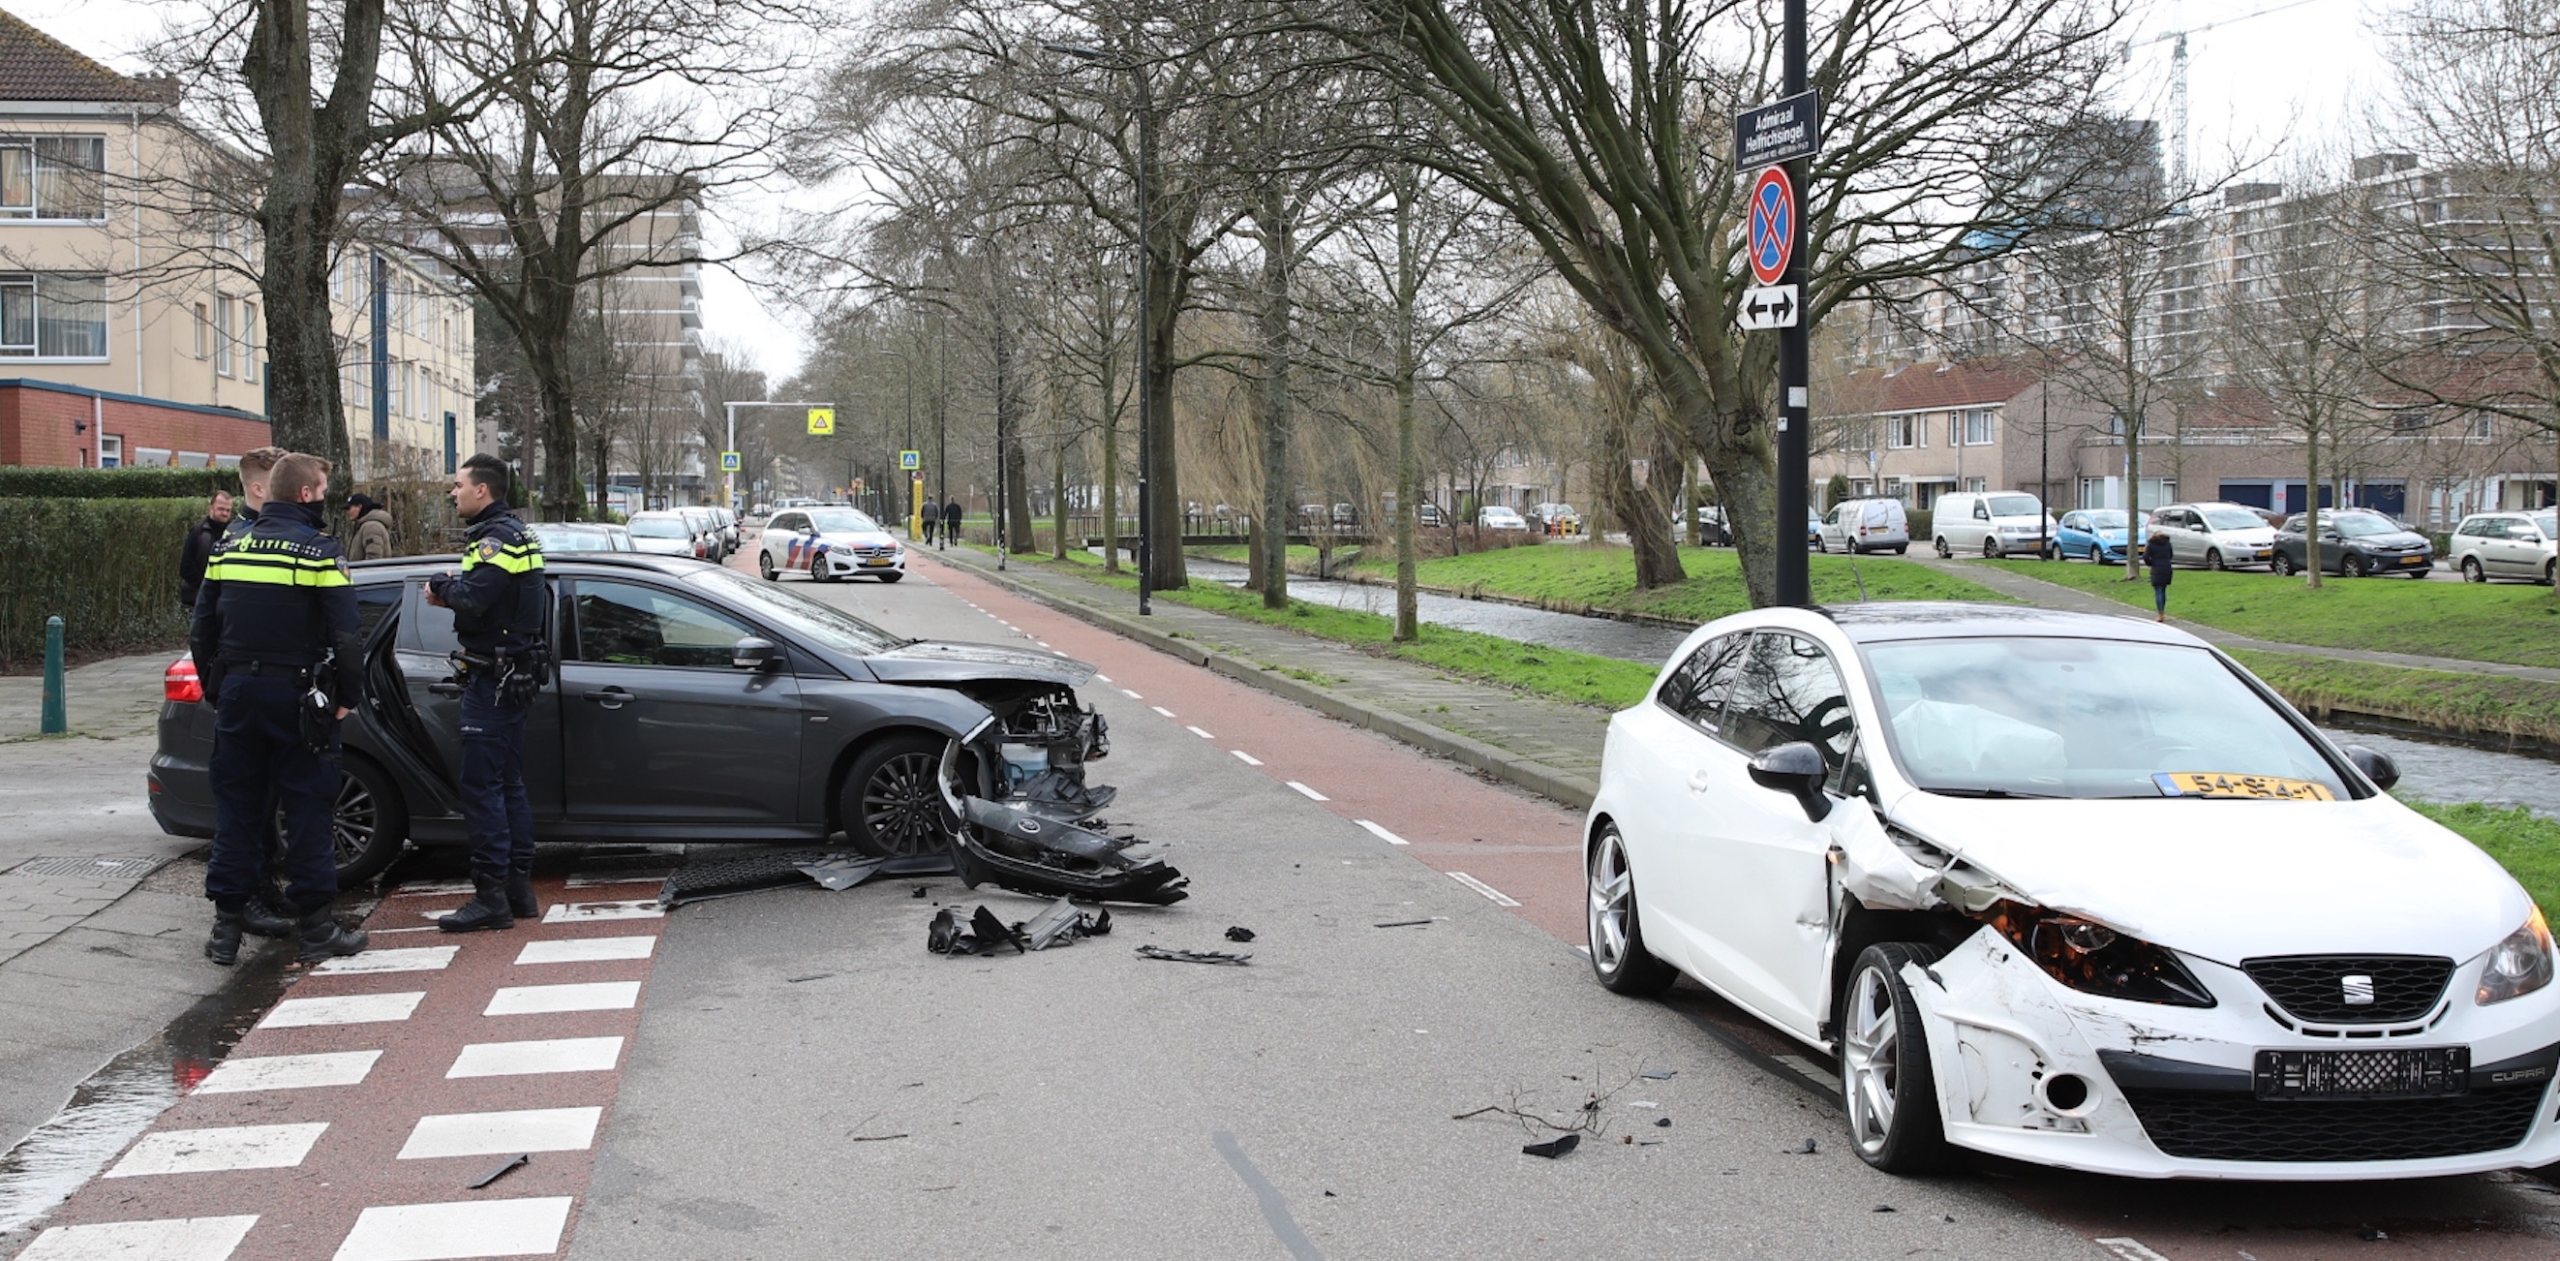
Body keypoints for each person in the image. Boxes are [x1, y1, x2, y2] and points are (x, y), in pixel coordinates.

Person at [193, 452, 368, 965]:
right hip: (298, 700)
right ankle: (317, 928)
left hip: (240, 697)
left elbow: (202, 627)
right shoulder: (318, 551)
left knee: (239, 812)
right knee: (309, 811)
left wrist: (216, 689)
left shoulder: (231, 544)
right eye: (322, 488)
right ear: (307, 493)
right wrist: (346, 700)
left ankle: (226, 930)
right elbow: (347, 636)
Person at [427, 454, 549, 932]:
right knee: (507, 784)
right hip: (512, 674)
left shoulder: (494, 540)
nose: (452, 493)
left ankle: (490, 896)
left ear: (482, 490)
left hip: (493, 679)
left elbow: (476, 598)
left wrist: (442, 586)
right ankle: (518, 888)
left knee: (482, 790)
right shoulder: (519, 534)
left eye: (457, 485)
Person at [179, 490, 232, 610]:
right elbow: (186, 567)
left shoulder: (232, 534)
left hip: (223, 599)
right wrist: (206, 586)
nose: (225, 513)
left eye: (228, 510)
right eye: (221, 509)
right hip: (196, 599)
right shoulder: (198, 533)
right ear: (211, 508)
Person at [346, 493, 395, 560]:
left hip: (367, 570)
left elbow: (373, 559)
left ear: (359, 507)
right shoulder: (363, 526)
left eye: (349, 508)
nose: (347, 512)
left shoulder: (371, 527)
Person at [2143, 526, 2176, 622]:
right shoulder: (2168, 543)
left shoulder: (2151, 544)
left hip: (2156, 568)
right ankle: (2162, 612)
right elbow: (2171, 555)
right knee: (2163, 590)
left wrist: (2151, 563)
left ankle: (2160, 613)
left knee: (2158, 591)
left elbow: (2145, 557)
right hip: (2167, 567)